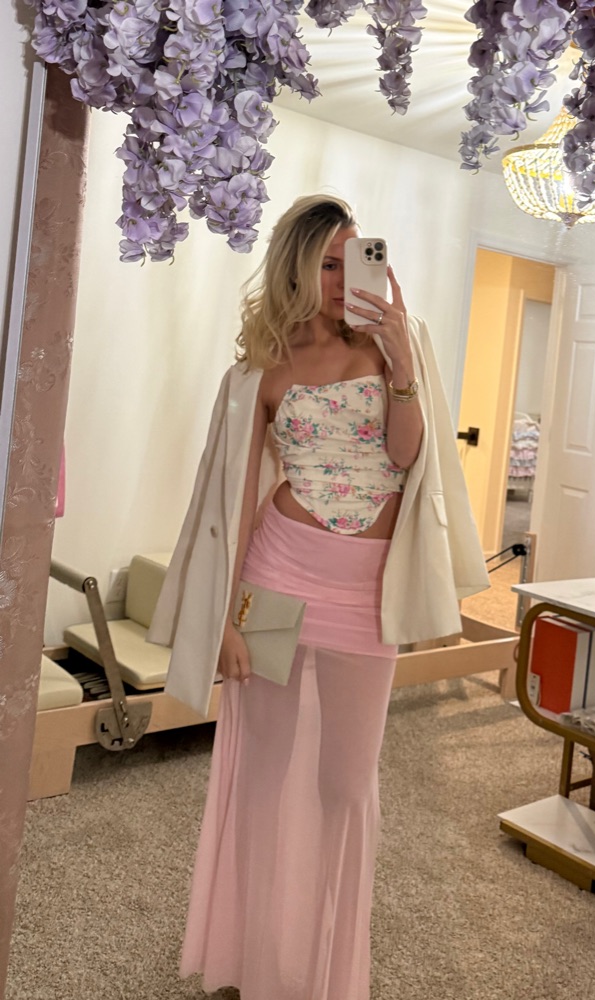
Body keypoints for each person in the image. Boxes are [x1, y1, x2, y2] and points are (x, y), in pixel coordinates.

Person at [148, 194, 489, 1000]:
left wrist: (401, 368)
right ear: (296, 267)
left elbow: (407, 459)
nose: (343, 280)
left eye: (356, 259)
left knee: (344, 783)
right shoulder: (259, 368)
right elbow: (232, 499)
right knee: (265, 777)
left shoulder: (400, 344)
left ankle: (322, 971)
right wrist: (227, 618)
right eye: (327, 264)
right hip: (276, 577)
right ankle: (256, 962)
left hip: (364, 595)